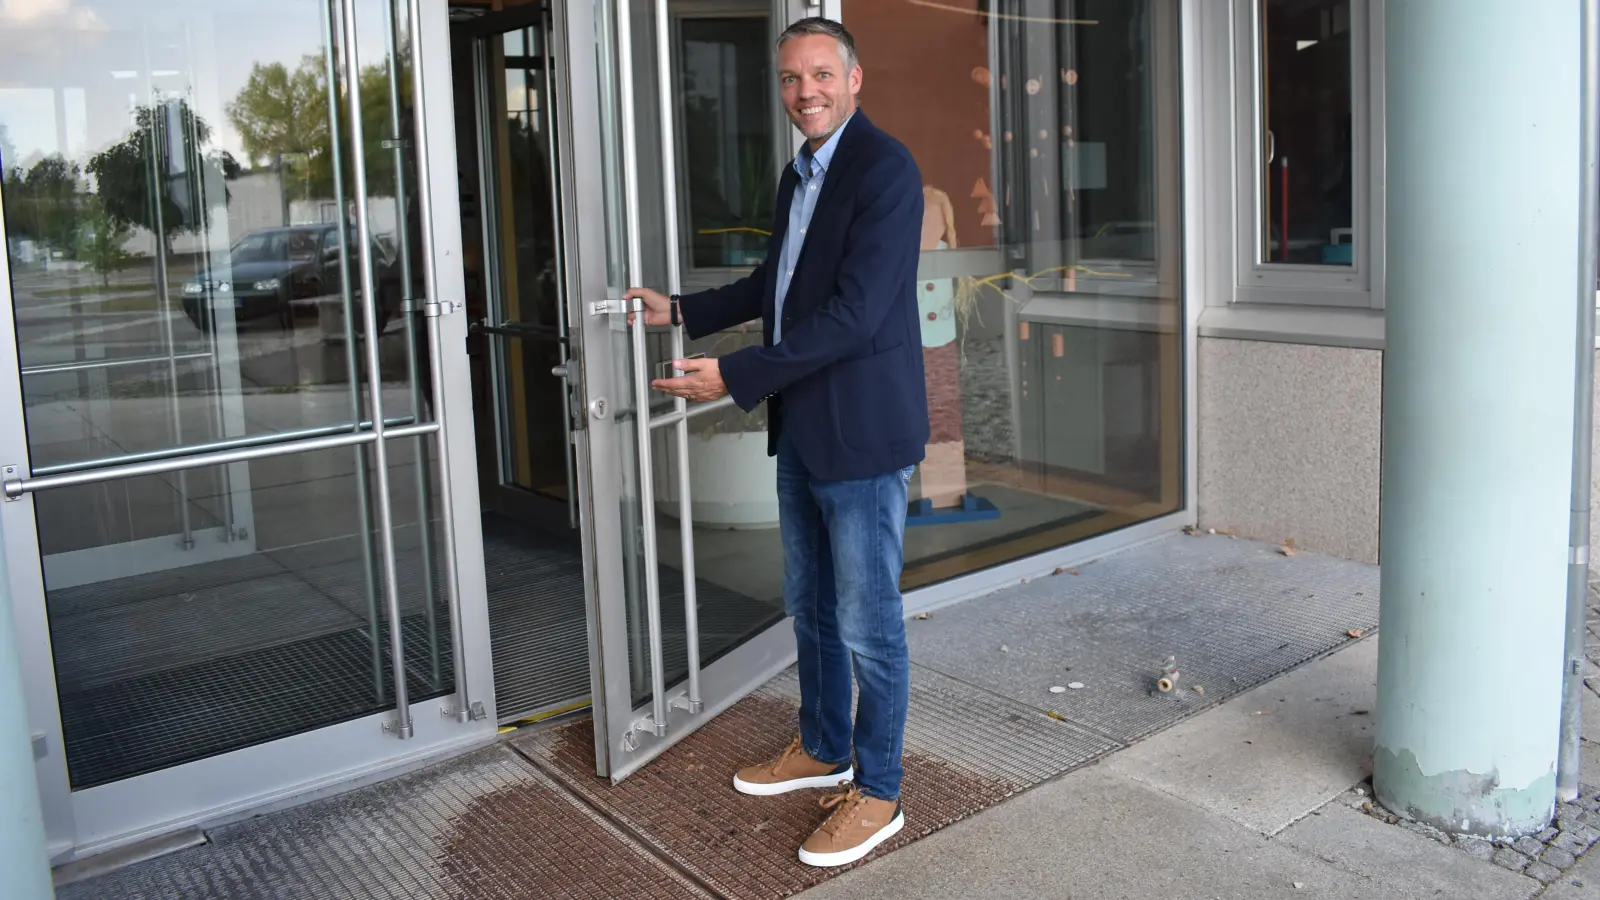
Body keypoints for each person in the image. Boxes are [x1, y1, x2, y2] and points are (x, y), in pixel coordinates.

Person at [624, 16, 928, 870]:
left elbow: (856, 314)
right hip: (802, 424)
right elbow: (778, 285)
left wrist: (735, 373)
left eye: (822, 75)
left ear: (855, 78)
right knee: (813, 605)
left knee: (869, 622)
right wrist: (680, 311)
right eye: (792, 80)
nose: (806, 93)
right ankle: (824, 744)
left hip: (862, 435)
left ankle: (879, 790)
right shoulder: (799, 174)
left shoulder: (884, 169)